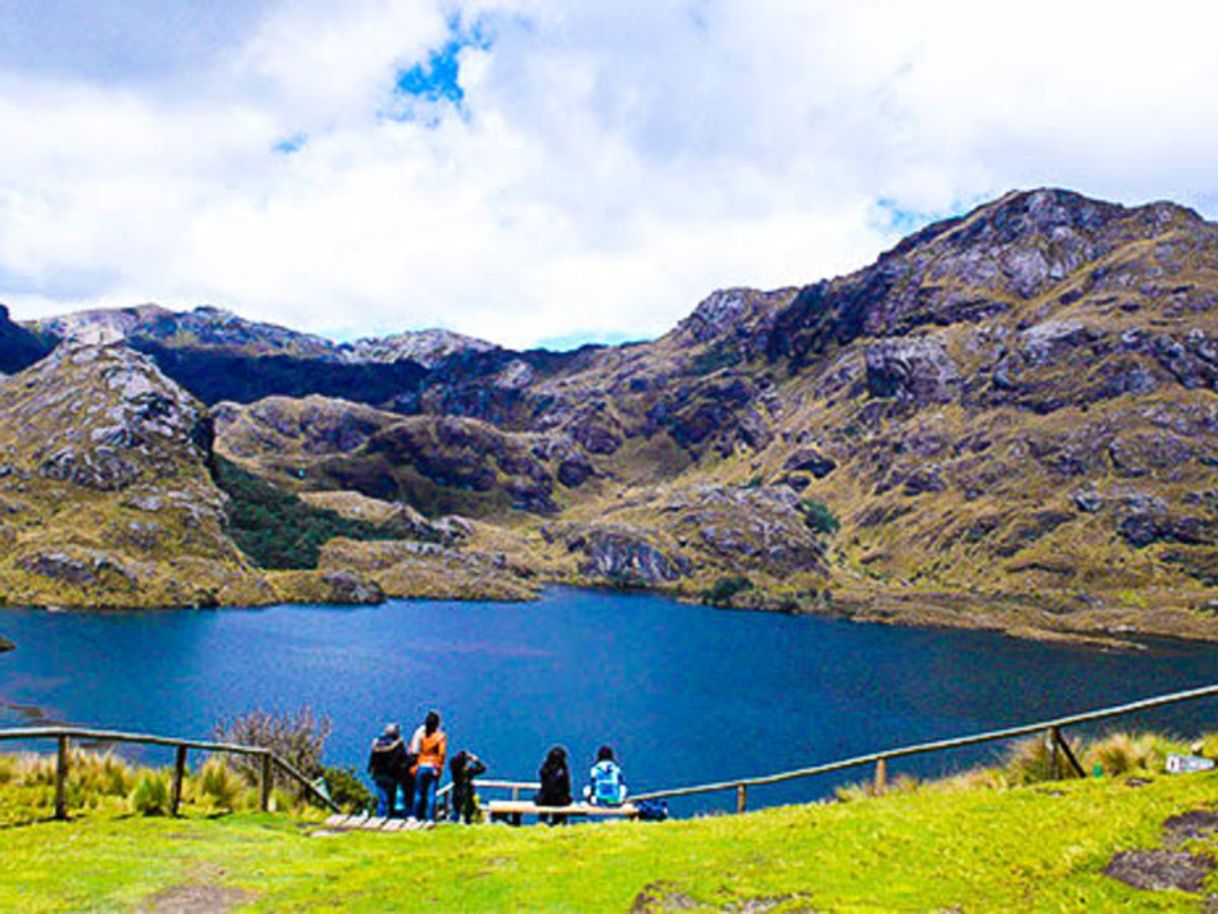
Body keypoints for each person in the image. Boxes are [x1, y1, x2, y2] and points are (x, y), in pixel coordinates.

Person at [410, 710, 447, 822]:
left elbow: (415, 749)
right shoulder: (440, 737)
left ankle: (416, 816)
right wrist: (439, 767)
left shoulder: (422, 735)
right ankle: (430, 817)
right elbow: (442, 753)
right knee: (431, 794)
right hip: (433, 765)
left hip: (421, 764)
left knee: (418, 793)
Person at [366, 723, 408, 818]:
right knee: (391, 799)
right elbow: (403, 759)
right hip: (392, 775)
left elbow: (372, 759)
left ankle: (380, 817)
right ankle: (390, 816)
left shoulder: (377, 743)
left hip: (378, 775)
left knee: (382, 799)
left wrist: (371, 769)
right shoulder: (398, 744)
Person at [535, 745, 572, 826]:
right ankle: (559, 822)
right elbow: (566, 787)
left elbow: (545, 786)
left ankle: (543, 822)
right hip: (560, 800)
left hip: (545, 800)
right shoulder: (563, 771)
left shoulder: (545, 768)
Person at [448, 749, 487, 824]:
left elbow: (452, 762)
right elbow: (482, 768)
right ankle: (467, 821)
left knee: (456, 809)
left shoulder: (455, 769)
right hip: (468, 790)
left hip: (457, 789)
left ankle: (455, 820)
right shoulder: (469, 770)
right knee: (468, 810)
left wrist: (460, 756)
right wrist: (475, 760)